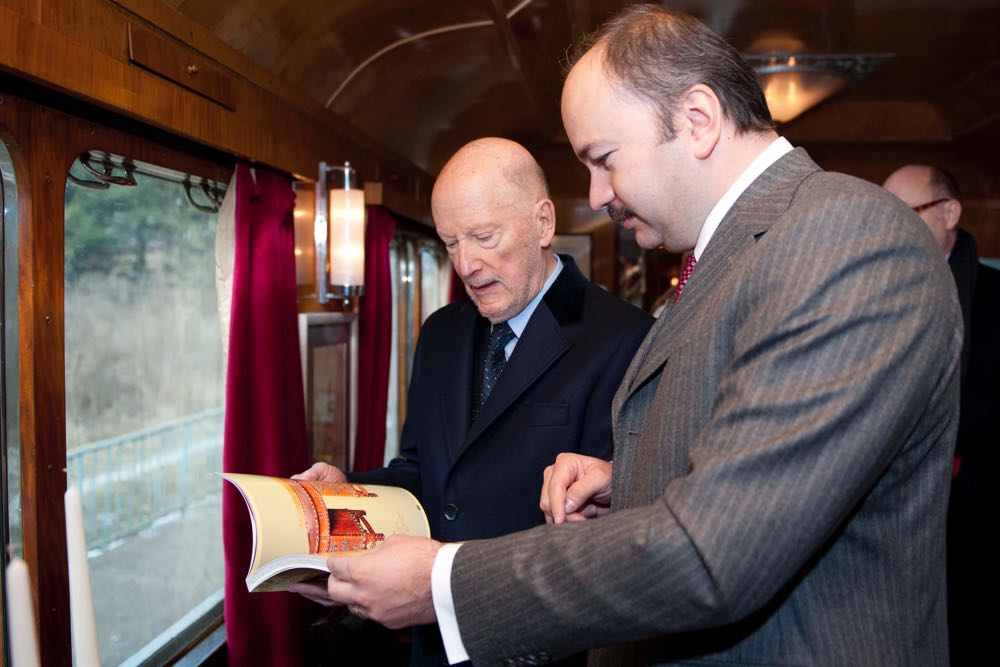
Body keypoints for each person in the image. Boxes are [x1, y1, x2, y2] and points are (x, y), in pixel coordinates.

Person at [310, 7, 961, 666]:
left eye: (605, 159)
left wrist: (443, 584)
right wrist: (629, 483)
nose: (595, 196)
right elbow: (760, 474)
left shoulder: (842, 241)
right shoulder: (731, 259)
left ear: (698, 120)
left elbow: (716, 554)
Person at [292, 137, 652, 665]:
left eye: (484, 236)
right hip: (431, 646)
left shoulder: (626, 339)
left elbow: (618, 536)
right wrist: (349, 494)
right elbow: (423, 473)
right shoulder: (440, 332)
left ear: (544, 223)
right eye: (450, 243)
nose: (466, 264)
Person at [883, 164, 999, 666]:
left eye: (904, 212)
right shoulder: (881, 292)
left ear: (949, 212)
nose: (891, 225)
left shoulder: (992, 299)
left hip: (976, 506)